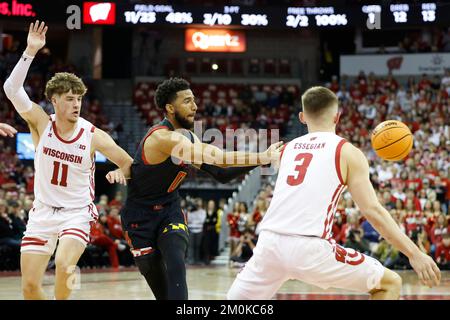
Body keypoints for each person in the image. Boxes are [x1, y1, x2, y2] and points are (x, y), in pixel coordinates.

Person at [227, 86, 441, 300]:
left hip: (269, 245)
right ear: (337, 117)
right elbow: (372, 210)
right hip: (309, 248)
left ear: (302, 117)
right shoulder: (347, 152)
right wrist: (414, 254)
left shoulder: (286, 149)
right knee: (389, 284)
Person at [115, 77, 282, 300]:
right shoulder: (162, 138)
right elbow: (221, 158)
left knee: (176, 260)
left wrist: (260, 161)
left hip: (168, 210)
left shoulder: (188, 137)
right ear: (170, 108)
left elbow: (221, 174)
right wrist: (263, 156)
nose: (195, 106)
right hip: (139, 218)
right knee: (161, 289)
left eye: (194, 100)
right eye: (187, 101)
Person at [3, 21, 133, 300]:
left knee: (64, 264)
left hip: (77, 212)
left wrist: (122, 173)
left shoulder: (93, 135)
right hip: (42, 212)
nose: (77, 104)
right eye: (70, 99)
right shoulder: (40, 122)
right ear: (54, 100)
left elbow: (128, 162)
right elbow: (12, 90)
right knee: (29, 288)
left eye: (79, 99)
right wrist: (29, 51)